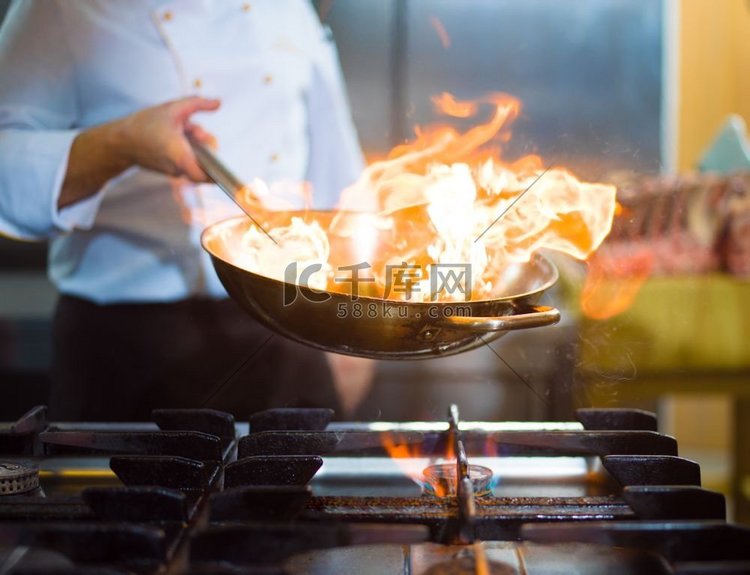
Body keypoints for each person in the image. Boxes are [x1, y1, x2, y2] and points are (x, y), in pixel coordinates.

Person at [0, 0, 371, 420]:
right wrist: (121, 144)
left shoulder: (287, 8)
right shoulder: (61, 9)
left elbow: (343, 184)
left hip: (288, 329)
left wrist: (351, 341)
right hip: (129, 348)